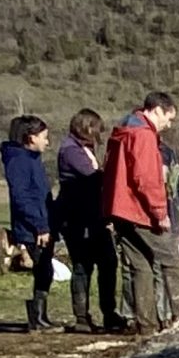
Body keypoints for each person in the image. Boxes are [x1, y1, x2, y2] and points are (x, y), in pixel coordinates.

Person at [100, 92, 177, 333]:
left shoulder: (123, 133)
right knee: (171, 260)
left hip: (120, 209)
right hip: (139, 210)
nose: (169, 124)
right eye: (168, 117)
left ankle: (146, 324)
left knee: (140, 266)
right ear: (156, 111)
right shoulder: (143, 136)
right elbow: (146, 179)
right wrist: (159, 211)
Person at [56, 108, 124, 332]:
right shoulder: (71, 151)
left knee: (107, 263)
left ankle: (107, 311)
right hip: (79, 218)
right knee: (83, 266)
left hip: (93, 216)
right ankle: (82, 316)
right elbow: (93, 177)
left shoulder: (83, 149)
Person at [1, 116, 57, 331]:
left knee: (45, 270)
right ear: (31, 138)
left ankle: (40, 317)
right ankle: (37, 319)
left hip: (40, 223)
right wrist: (40, 225)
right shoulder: (19, 161)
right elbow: (22, 197)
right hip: (33, 227)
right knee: (43, 269)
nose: (47, 142)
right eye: (44, 137)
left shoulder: (31, 159)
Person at [157, 139, 179, 327]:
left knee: (156, 268)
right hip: (166, 214)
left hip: (165, 215)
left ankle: (163, 315)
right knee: (168, 265)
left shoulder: (168, 153)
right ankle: (170, 313)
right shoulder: (167, 152)